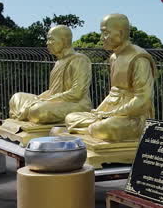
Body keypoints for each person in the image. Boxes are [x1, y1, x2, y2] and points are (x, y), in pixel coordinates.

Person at [64, 14, 154, 143]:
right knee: (70, 117)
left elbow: (143, 100)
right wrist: (100, 112)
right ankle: (92, 129)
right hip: (110, 113)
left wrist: (113, 114)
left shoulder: (139, 58)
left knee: (105, 128)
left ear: (121, 33)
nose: (102, 38)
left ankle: (92, 130)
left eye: (105, 33)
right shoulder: (113, 57)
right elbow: (113, 94)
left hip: (133, 117)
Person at [5, 25, 91, 125]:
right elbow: (52, 91)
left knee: (37, 111)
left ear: (64, 41)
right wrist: (39, 99)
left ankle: (28, 114)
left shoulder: (79, 59)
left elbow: (76, 93)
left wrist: (43, 101)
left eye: (51, 40)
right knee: (17, 97)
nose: (47, 43)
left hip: (76, 104)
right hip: (55, 101)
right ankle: (26, 115)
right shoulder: (59, 62)